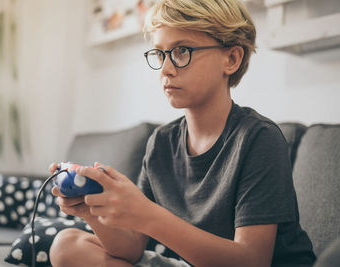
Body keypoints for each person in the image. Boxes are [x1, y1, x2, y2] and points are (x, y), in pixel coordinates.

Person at [49, 0, 316, 266]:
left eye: (181, 51)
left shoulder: (258, 138)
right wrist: (92, 212)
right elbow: (131, 248)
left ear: (231, 59)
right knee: (67, 245)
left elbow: (251, 261)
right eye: (159, 54)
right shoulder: (161, 143)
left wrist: (148, 215)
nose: (165, 69)